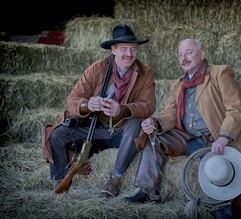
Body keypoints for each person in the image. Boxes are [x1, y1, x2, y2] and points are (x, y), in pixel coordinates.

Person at [123, 38, 241, 219]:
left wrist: (224, 137)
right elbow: (170, 112)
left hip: (213, 138)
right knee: (155, 138)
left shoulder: (220, 74)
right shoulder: (178, 84)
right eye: (180, 54)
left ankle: (225, 208)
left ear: (202, 54)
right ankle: (148, 191)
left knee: (217, 168)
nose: (183, 58)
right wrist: (155, 122)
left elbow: (236, 108)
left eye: (188, 53)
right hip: (187, 136)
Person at [41, 24, 156, 198]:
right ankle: (59, 182)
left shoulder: (145, 72)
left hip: (120, 131)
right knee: (57, 135)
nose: (129, 54)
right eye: (124, 49)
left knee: (135, 125)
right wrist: (88, 105)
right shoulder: (96, 69)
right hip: (94, 129)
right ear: (113, 49)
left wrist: (123, 109)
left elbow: (149, 106)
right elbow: (73, 99)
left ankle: (114, 181)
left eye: (133, 49)